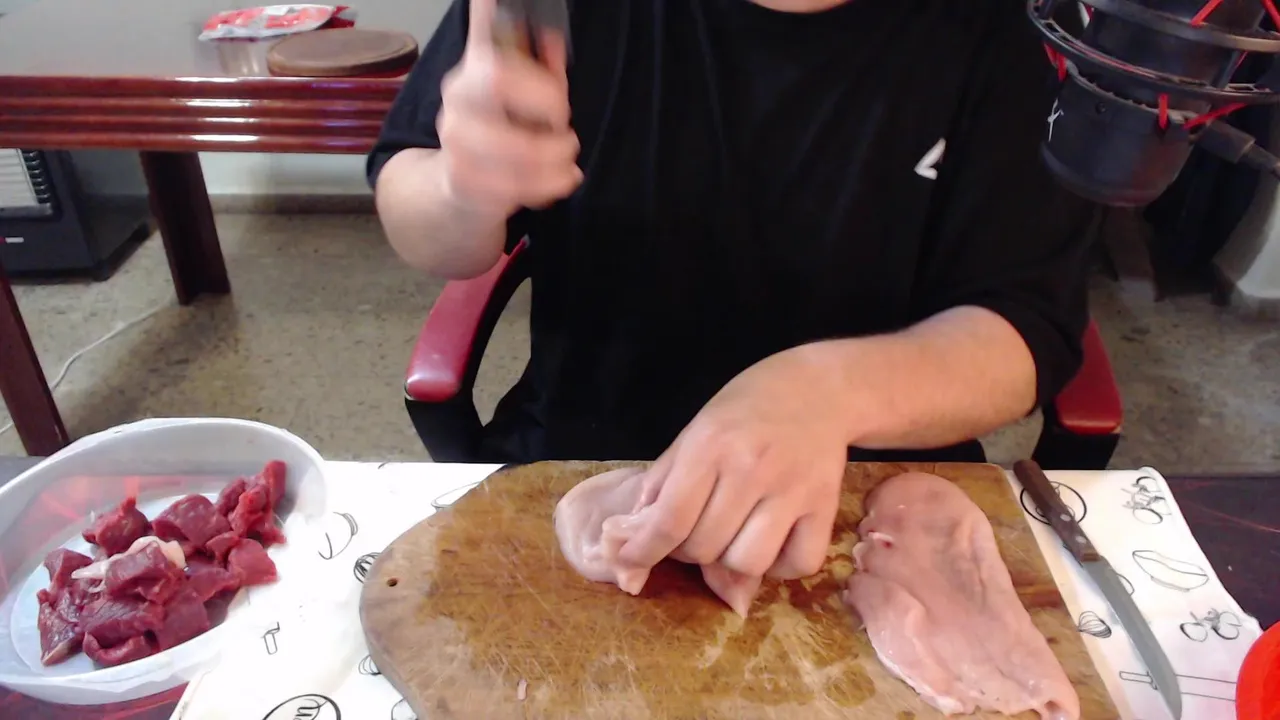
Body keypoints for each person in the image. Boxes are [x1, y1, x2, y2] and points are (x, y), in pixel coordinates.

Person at [369, 0, 1098, 581]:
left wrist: (824, 392)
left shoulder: (1014, 30)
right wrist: (465, 188)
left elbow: (1025, 327)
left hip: (871, 495)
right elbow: (421, 218)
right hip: (581, 457)